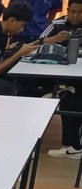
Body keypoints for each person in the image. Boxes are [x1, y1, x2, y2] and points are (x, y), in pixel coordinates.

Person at [41, 0, 82, 159]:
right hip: (54, 73)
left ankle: (73, 146)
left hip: (77, 75)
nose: (76, 16)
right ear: (68, 10)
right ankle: (73, 144)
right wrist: (55, 39)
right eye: (73, 12)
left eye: (80, 12)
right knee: (69, 96)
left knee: (71, 97)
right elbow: (39, 41)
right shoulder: (57, 24)